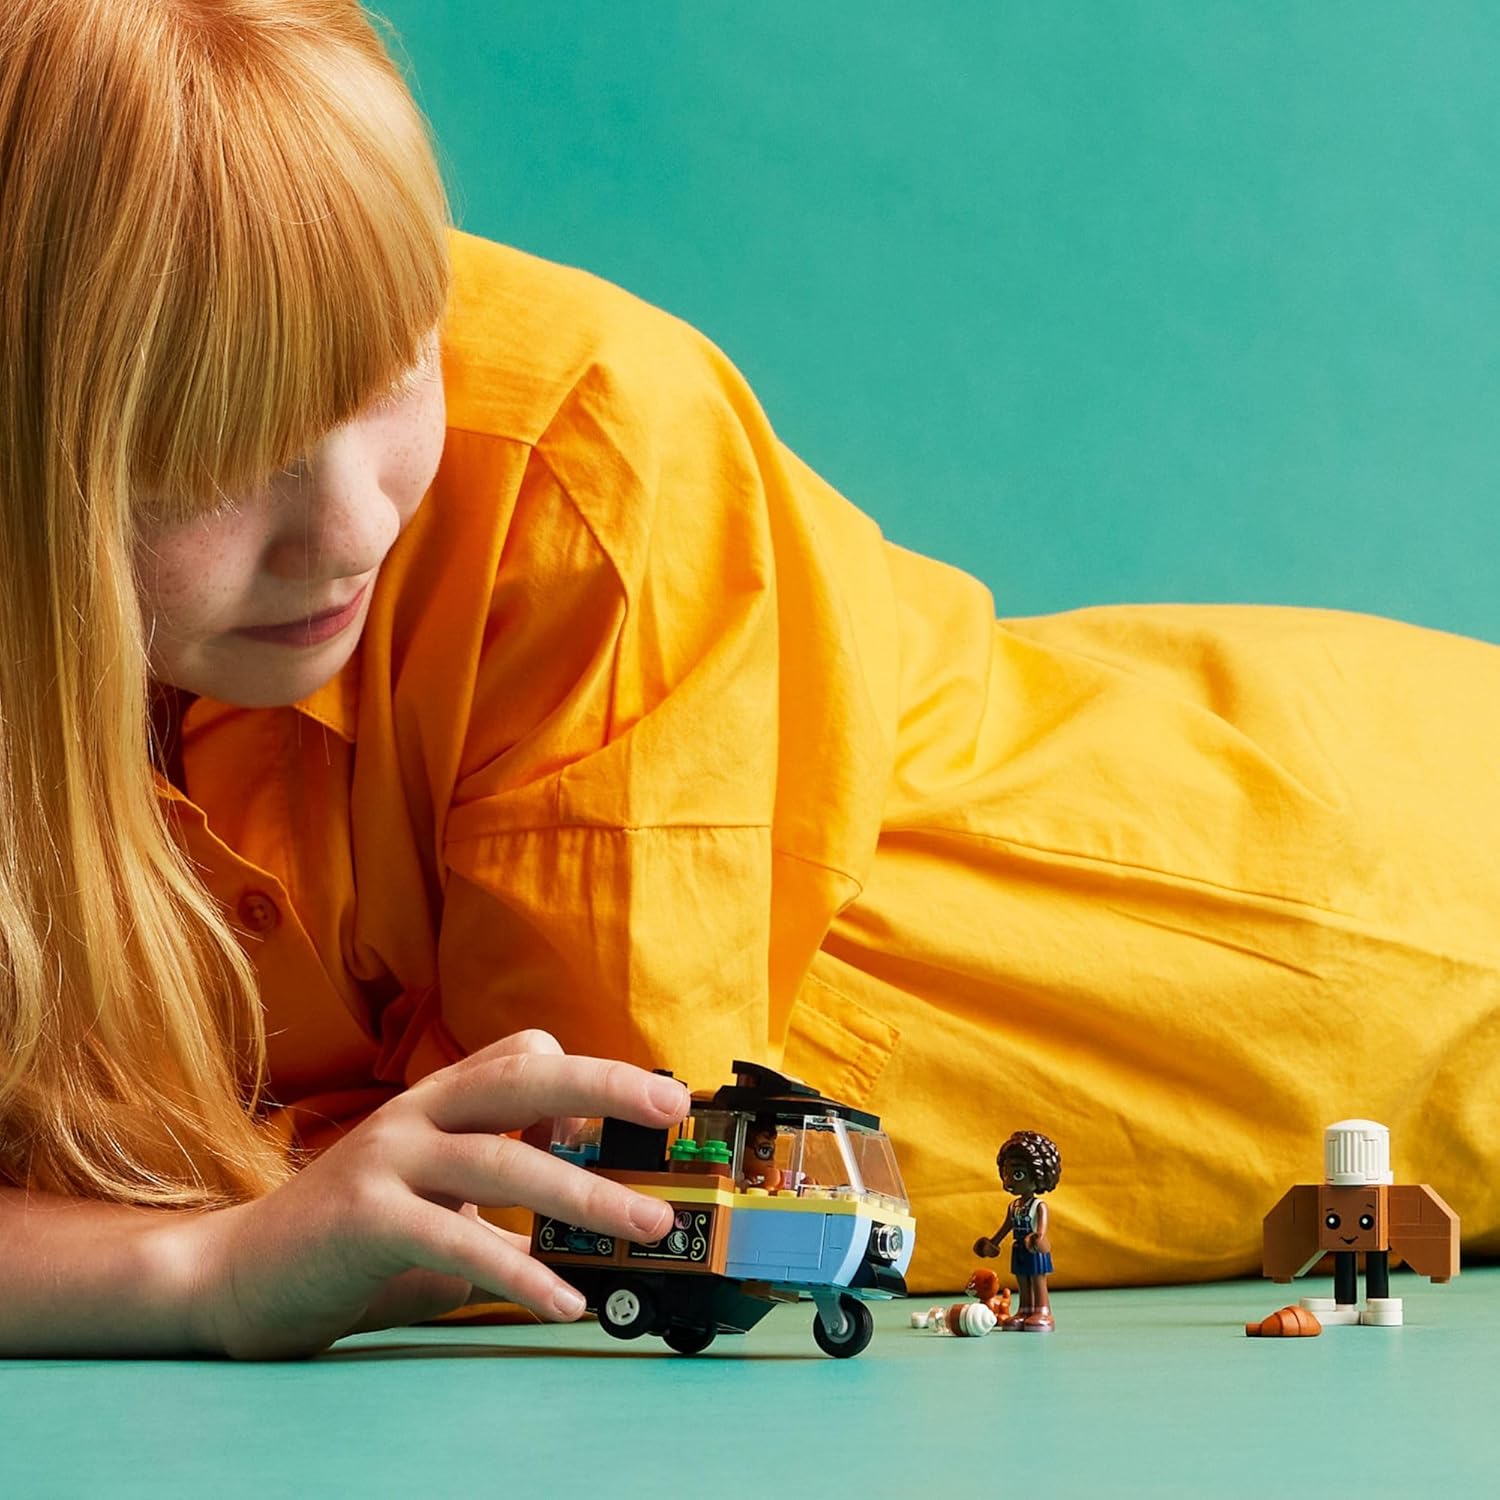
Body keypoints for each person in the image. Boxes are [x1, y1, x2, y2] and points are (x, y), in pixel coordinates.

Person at [1, 1, 1497, 1359]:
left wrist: (154, 1256)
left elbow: (575, 1189)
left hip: (1332, 903)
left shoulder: (588, 455)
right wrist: (195, 1270)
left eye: (395, 363)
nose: (352, 528)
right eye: (207, 453)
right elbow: (296, 1228)